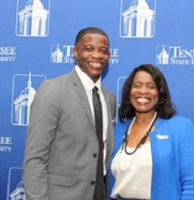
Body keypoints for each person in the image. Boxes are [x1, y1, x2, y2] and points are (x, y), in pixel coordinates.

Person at [24, 27, 116, 200]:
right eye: (89, 49)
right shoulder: (52, 91)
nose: (97, 55)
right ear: (75, 52)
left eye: (103, 51)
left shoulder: (109, 98)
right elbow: (35, 159)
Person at [108, 64, 194, 200]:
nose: (143, 91)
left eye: (151, 87)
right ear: (129, 92)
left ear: (160, 93)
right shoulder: (118, 130)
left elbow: (193, 185)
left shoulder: (180, 127)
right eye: (137, 86)